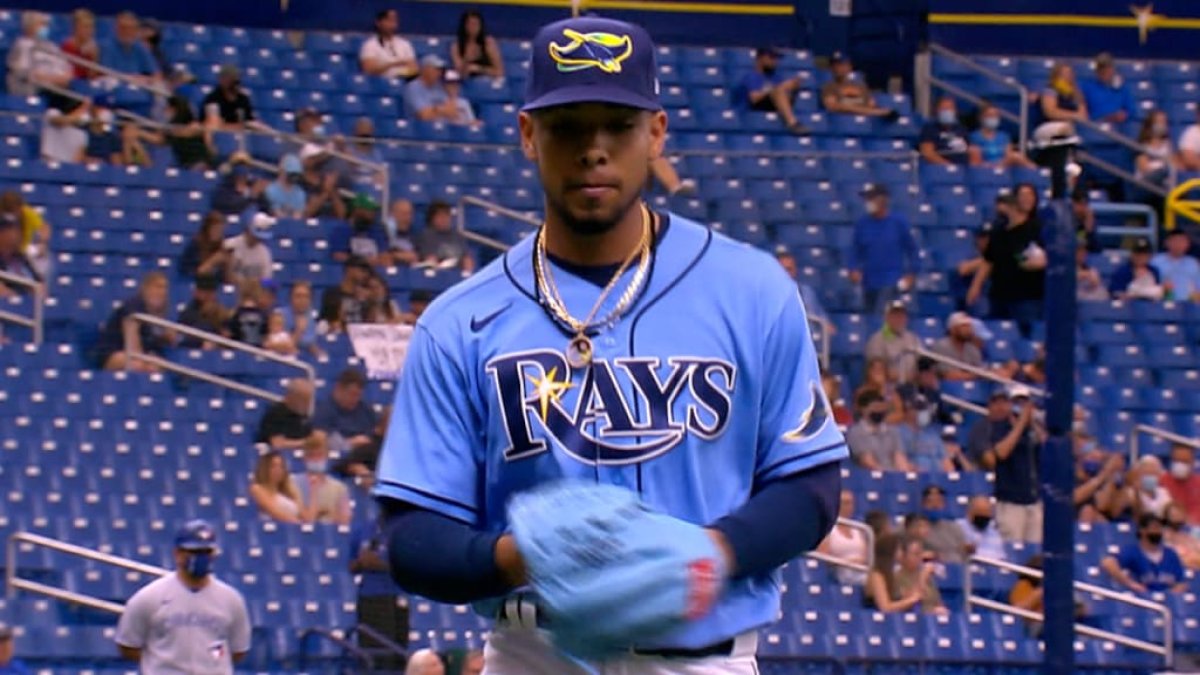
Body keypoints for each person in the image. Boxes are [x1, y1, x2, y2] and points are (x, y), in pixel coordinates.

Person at [376, 16, 845, 673]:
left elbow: (813, 485)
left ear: (655, 133)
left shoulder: (753, 289)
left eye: (618, 126)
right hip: (532, 652)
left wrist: (715, 550)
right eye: (567, 126)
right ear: (527, 135)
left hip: (705, 658)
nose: (593, 149)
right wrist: (522, 553)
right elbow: (411, 535)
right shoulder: (459, 320)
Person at [115, 521, 251, 671]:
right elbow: (128, 645)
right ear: (178, 554)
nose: (201, 558)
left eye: (206, 552)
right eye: (194, 552)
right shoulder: (149, 597)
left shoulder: (231, 599)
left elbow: (238, 650)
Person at [967, 183, 1046, 336]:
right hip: (1000, 294)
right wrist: (975, 286)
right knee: (996, 333)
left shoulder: (1037, 228)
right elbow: (988, 260)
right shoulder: (998, 230)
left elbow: (1050, 256)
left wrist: (1039, 263)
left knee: (1026, 335)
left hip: (1028, 296)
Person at [968, 387, 1043, 543]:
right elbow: (1000, 454)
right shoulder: (997, 428)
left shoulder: (1032, 430)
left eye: (1024, 403)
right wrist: (1020, 425)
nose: (1020, 407)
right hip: (1010, 502)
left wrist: (1032, 424)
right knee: (1013, 550)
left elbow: (1048, 451)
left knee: (1035, 553)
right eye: (1017, 402)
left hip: (1034, 500)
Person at [847, 184, 919, 316]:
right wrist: (853, 269)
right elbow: (854, 251)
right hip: (868, 283)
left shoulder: (898, 223)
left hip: (892, 282)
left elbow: (912, 250)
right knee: (871, 317)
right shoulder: (862, 224)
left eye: (871, 199)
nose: (868, 203)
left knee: (885, 314)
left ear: (883, 200)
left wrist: (911, 274)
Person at [94, 271, 174, 372]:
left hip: (142, 354)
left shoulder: (160, 312)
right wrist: (144, 359)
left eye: (165, 288)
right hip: (114, 353)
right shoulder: (133, 307)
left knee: (157, 366)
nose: (163, 291)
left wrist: (166, 337)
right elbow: (132, 342)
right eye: (158, 287)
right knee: (137, 365)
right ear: (146, 288)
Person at [1101, 515, 1188, 594]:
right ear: (1142, 530)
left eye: (1160, 528)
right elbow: (1108, 563)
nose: (1158, 531)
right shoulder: (1133, 552)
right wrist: (1130, 583)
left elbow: (1181, 581)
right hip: (1141, 602)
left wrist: (1176, 591)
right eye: (1154, 528)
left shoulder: (1171, 554)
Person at [735, 46, 808, 135]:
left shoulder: (776, 78)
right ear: (760, 58)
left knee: (782, 91)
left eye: (776, 58)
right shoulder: (751, 77)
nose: (775, 61)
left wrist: (794, 89)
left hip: (773, 108)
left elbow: (785, 99)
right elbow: (754, 98)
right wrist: (781, 88)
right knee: (779, 90)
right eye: (772, 57)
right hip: (752, 110)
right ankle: (793, 123)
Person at [865, 535, 942, 614]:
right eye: (899, 549)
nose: (901, 553)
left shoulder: (890, 574)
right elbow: (886, 607)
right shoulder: (877, 575)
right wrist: (922, 578)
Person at [6, 11, 73, 96]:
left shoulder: (50, 46)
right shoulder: (22, 46)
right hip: (35, 90)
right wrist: (54, 79)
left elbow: (66, 67)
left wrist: (65, 77)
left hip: (59, 87)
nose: (45, 28)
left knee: (81, 97)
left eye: (46, 25)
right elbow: (27, 74)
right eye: (42, 24)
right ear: (30, 26)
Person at [291, 432, 351, 526]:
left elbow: (344, 520)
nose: (315, 459)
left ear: (327, 456)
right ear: (304, 458)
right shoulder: (292, 482)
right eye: (311, 455)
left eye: (319, 455)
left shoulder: (339, 488)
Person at [313, 368, 378, 453]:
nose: (355, 399)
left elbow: (375, 433)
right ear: (338, 388)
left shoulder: (366, 410)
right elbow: (319, 442)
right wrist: (349, 443)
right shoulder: (323, 411)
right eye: (352, 394)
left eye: (358, 395)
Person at [847, 390, 912, 472]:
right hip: (869, 477)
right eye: (876, 408)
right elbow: (868, 462)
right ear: (863, 409)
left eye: (881, 408)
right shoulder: (856, 432)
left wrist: (903, 474)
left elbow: (900, 459)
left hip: (894, 475)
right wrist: (888, 476)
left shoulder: (892, 431)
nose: (879, 411)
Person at [819, 52, 896, 119]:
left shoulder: (860, 86)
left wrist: (879, 111)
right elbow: (833, 107)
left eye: (841, 65)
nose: (837, 68)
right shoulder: (829, 87)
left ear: (849, 67)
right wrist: (874, 112)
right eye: (834, 66)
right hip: (844, 124)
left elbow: (871, 105)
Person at [817, 490, 868, 585]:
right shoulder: (829, 529)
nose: (848, 507)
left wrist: (860, 561)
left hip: (861, 568)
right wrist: (848, 562)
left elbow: (866, 554)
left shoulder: (858, 529)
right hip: (841, 571)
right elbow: (823, 558)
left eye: (850, 503)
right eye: (845, 503)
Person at [863, 300, 920, 383]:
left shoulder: (912, 338)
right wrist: (904, 377)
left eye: (901, 315)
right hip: (888, 387)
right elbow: (877, 371)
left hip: (912, 385)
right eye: (894, 315)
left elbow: (921, 364)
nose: (899, 319)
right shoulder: (877, 339)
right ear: (886, 318)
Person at [968, 103, 1036, 169]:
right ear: (981, 117)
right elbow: (975, 162)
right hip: (985, 168)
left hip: (1003, 167)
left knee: (1015, 157)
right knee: (1015, 156)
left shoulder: (1004, 136)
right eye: (990, 116)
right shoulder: (975, 137)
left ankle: (1036, 172)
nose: (993, 118)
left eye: (996, 116)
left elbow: (1008, 156)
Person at [1034, 62, 1087, 145]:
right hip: (1045, 126)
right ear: (1056, 76)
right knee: (1066, 129)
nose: (1067, 77)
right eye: (1064, 74)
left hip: (1071, 127)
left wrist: (1078, 97)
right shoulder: (1050, 90)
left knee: (1081, 131)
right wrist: (1074, 115)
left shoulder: (1076, 94)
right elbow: (1050, 112)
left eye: (1070, 73)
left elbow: (1083, 116)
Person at [100, 12, 160, 85]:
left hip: (138, 86)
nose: (127, 32)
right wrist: (132, 78)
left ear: (135, 31)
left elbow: (157, 75)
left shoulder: (140, 47)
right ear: (116, 29)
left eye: (131, 28)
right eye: (123, 28)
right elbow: (106, 74)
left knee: (159, 86)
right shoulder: (107, 46)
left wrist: (148, 79)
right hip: (115, 86)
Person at [332, 194, 391, 267]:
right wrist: (363, 261)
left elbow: (385, 256)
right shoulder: (342, 229)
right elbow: (338, 255)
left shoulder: (376, 230)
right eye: (369, 210)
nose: (373, 214)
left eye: (374, 211)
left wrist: (381, 260)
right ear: (357, 210)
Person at [254, 378, 314, 450]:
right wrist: (305, 443)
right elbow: (277, 443)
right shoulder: (275, 414)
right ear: (290, 396)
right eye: (302, 398)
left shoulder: (303, 417)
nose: (306, 403)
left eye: (308, 399)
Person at [249, 450, 308, 523]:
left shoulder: (288, 491)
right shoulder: (257, 488)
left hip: (294, 529)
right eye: (273, 466)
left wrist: (295, 493)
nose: (278, 470)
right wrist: (298, 523)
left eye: (281, 466)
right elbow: (275, 513)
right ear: (265, 468)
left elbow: (303, 515)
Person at [416, 200, 475, 271]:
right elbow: (430, 259)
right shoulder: (427, 236)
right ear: (432, 219)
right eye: (440, 216)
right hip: (438, 273)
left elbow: (466, 257)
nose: (444, 219)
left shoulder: (458, 236)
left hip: (457, 272)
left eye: (446, 215)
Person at [360, 9, 416, 80]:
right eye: (389, 21)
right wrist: (394, 64)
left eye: (394, 21)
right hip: (380, 83)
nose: (392, 24)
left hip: (403, 82)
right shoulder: (370, 45)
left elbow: (413, 69)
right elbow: (368, 70)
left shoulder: (405, 44)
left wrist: (401, 74)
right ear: (378, 23)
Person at [1080, 52, 1135, 124]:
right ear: (1097, 71)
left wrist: (1124, 115)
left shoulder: (1123, 87)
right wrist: (1106, 117)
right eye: (1102, 68)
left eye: (1108, 68)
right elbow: (1083, 113)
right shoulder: (1087, 87)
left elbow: (1131, 110)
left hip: (1118, 127)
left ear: (1113, 69)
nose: (1105, 71)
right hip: (1096, 127)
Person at [319, 257, 372, 332]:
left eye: (366, 271)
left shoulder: (366, 296)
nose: (365, 274)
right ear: (349, 270)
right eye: (361, 270)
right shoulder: (332, 294)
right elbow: (325, 322)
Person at [224, 210, 276, 283]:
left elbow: (268, 280)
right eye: (255, 236)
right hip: (234, 288)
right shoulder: (230, 245)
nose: (257, 239)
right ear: (248, 230)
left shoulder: (265, 252)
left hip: (254, 290)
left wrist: (259, 282)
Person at [929, 312, 984, 380]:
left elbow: (980, 370)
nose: (968, 330)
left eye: (969, 326)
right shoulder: (942, 346)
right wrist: (978, 375)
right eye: (964, 326)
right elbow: (949, 375)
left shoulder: (972, 348)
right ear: (953, 329)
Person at [451, 9, 503, 79]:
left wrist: (478, 69)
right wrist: (466, 60)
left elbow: (499, 72)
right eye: (470, 24)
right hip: (467, 84)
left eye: (476, 24)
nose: (473, 28)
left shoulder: (488, 43)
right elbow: (460, 73)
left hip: (487, 83)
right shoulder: (456, 46)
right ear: (464, 26)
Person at [405, 55, 458, 122]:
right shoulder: (413, 87)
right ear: (425, 69)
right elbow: (423, 115)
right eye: (436, 69)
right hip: (420, 128)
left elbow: (452, 112)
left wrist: (436, 110)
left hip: (444, 128)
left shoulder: (439, 86)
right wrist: (441, 110)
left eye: (440, 70)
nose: (439, 72)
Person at [202, 64, 256, 129]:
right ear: (222, 79)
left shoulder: (243, 99)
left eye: (236, 80)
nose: (236, 82)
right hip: (220, 134)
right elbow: (213, 125)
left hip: (242, 134)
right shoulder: (212, 99)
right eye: (233, 79)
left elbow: (250, 122)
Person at [918, 96, 969, 165]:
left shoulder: (961, 129)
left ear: (955, 111)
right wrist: (950, 166)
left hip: (963, 168)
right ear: (937, 110)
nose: (947, 111)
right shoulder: (929, 128)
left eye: (950, 108)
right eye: (943, 109)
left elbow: (969, 149)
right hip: (942, 169)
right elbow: (927, 153)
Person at [178, 274, 228, 345]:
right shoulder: (189, 312)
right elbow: (185, 335)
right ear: (196, 293)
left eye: (211, 293)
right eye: (205, 293)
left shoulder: (220, 311)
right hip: (193, 347)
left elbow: (226, 333)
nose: (209, 296)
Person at [179, 211, 229, 280]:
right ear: (207, 229)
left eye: (221, 230)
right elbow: (187, 272)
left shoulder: (222, 247)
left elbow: (223, 277)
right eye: (215, 229)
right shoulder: (194, 246)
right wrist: (211, 262)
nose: (218, 233)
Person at [1153, 229, 1200, 302]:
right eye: (1175, 241)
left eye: (1182, 241)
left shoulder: (1193, 263)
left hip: (1188, 306)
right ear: (1167, 242)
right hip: (1163, 304)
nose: (1178, 244)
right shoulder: (1156, 262)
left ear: (1188, 244)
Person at [39, 99, 90, 164]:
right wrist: (82, 109)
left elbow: (77, 159)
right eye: (83, 111)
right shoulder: (53, 113)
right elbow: (60, 122)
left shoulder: (82, 135)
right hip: (46, 162)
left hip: (65, 169)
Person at [1161, 443, 1200, 526]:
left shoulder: (1198, 483)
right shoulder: (1162, 481)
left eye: (1184, 462)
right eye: (1177, 461)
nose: (1180, 465)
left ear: (1192, 463)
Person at [1135, 110, 1175, 186]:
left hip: (1164, 183)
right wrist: (1162, 167)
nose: (1163, 124)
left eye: (1165, 122)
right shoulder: (1142, 144)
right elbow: (1144, 168)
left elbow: (1171, 165)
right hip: (1146, 184)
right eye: (1160, 121)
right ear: (1151, 124)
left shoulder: (1168, 144)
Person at [225, 279, 269, 347]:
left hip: (239, 351)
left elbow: (228, 334)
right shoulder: (263, 315)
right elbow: (266, 335)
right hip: (258, 352)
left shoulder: (235, 314)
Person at [960, 495, 1005, 561]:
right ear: (969, 512)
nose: (983, 516)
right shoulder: (956, 528)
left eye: (987, 513)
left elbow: (1000, 560)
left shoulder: (995, 533)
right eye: (980, 512)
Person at [384, 198, 420, 265]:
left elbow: (418, 255)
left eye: (410, 214)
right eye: (404, 214)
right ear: (392, 214)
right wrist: (398, 256)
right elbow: (381, 256)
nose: (408, 218)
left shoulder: (414, 234)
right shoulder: (383, 232)